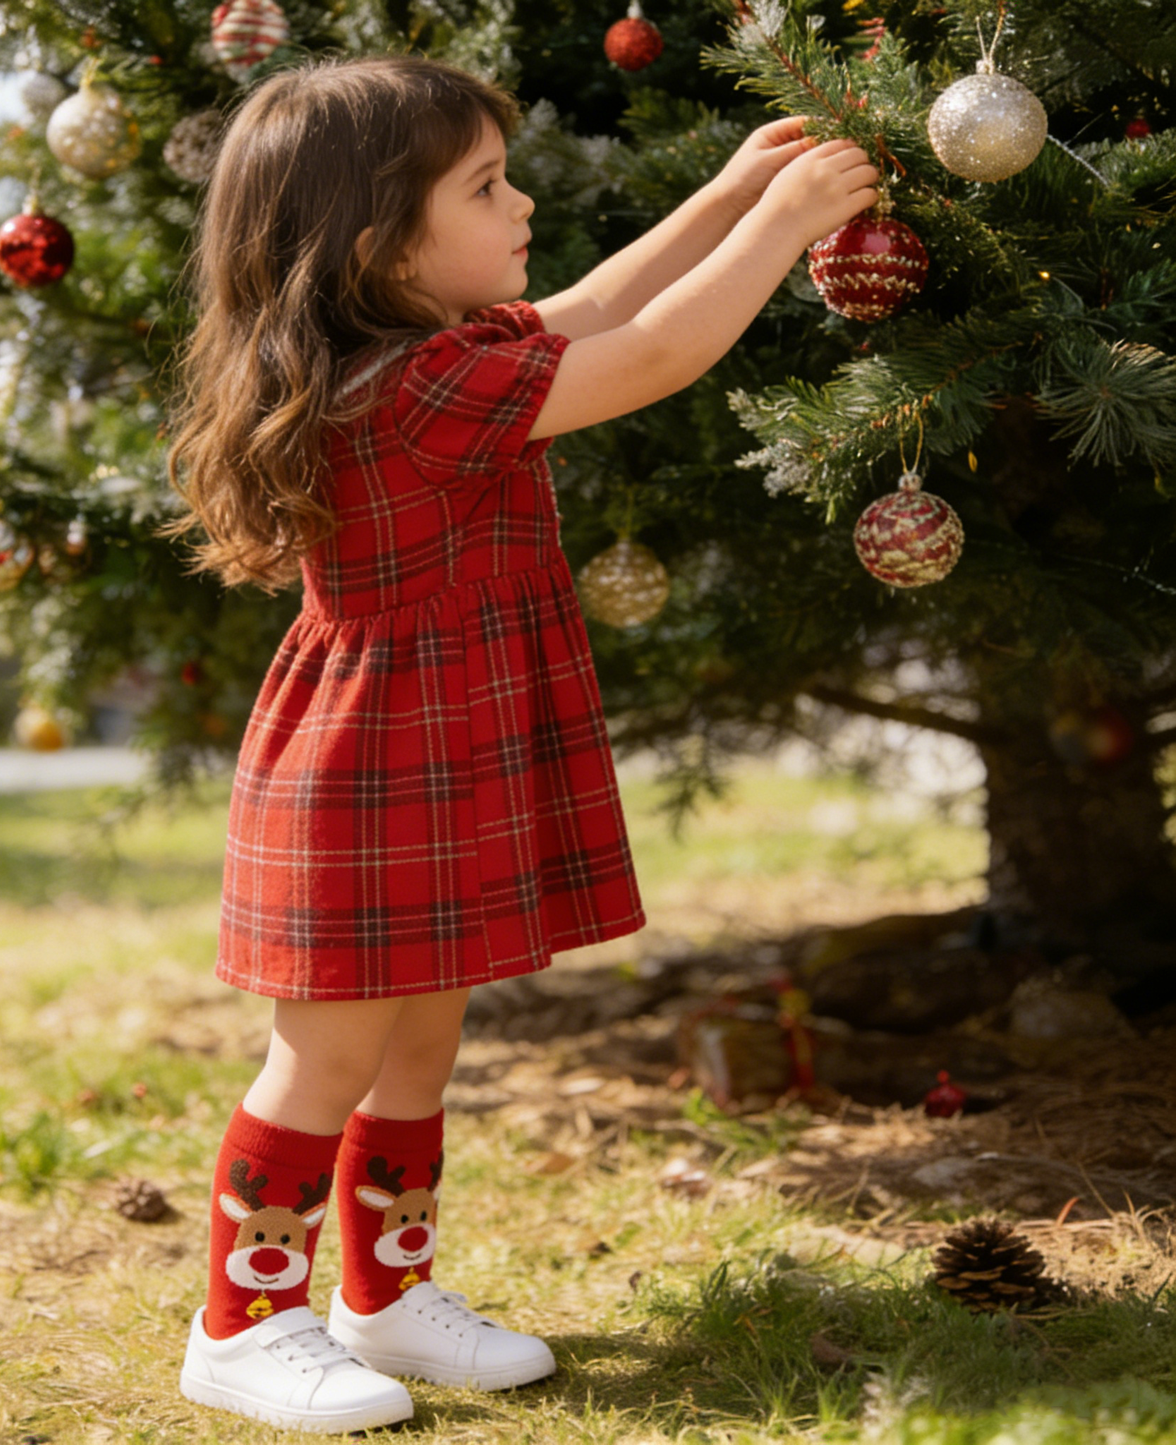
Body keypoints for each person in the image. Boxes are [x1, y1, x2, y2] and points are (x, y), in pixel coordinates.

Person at [157, 51, 877, 1434]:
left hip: (431, 759)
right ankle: (239, 1327)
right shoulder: (409, 393)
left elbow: (594, 305)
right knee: (327, 1062)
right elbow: (650, 352)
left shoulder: (441, 357)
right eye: (486, 188)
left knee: (420, 1047)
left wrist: (731, 193)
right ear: (382, 245)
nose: (522, 203)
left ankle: (384, 1297)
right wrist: (786, 227)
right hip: (373, 775)